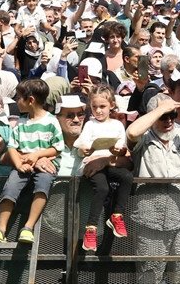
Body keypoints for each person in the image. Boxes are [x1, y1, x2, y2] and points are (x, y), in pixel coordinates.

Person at [0, 78, 63, 246]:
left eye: (19, 97)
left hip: (45, 167)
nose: (16, 101)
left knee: (43, 185)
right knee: (10, 187)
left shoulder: (51, 121)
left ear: (31, 100)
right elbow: (12, 147)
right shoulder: (20, 122)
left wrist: (37, 155)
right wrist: (19, 164)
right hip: (23, 165)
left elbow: (57, 148)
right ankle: (0, 228)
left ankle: (28, 227)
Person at [127, 94, 180, 284]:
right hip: (150, 218)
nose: (168, 120)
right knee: (149, 276)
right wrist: (160, 109)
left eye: (172, 115)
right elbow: (131, 134)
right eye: (163, 116)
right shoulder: (143, 138)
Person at [74, 85, 133, 253]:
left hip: (110, 163)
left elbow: (122, 148)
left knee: (127, 177)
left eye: (102, 106)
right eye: (94, 107)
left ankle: (117, 215)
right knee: (102, 188)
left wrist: (118, 151)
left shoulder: (117, 125)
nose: (98, 111)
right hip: (92, 165)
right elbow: (81, 145)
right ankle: (91, 228)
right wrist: (84, 150)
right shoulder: (89, 124)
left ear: (111, 105)